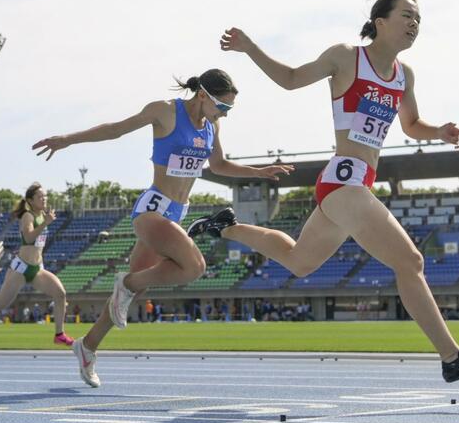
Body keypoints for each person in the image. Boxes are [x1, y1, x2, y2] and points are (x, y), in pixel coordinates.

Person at [193, 0, 459, 382]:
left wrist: (438, 132)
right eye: (407, 16)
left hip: (354, 187)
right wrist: (250, 46)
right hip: (345, 182)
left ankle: (227, 225)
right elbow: (290, 79)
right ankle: (452, 357)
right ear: (380, 22)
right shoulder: (346, 57)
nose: (414, 24)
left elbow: (411, 125)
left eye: (418, 19)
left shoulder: (404, 75)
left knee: (298, 261)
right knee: (411, 262)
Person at [32, 69, 292, 387]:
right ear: (202, 96)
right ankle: (124, 284)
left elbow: (219, 165)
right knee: (194, 266)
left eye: (228, 110)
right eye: (222, 107)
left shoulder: (213, 125)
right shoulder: (166, 111)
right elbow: (116, 129)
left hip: (177, 213)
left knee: (134, 291)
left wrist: (260, 171)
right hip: (153, 209)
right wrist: (67, 140)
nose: (224, 114)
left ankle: (86, 347)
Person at [0, 183, 74, 347]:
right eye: (40, 197)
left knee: (60, 294)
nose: (44, 199)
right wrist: (45, 224)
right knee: (0, 303)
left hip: (37, 269)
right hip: (21, 269)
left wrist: (45, 222)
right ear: (30, 201)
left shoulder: (43, 215)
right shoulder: (28, 216)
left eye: (45, 196)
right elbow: (28, 238)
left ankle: (59, 334)